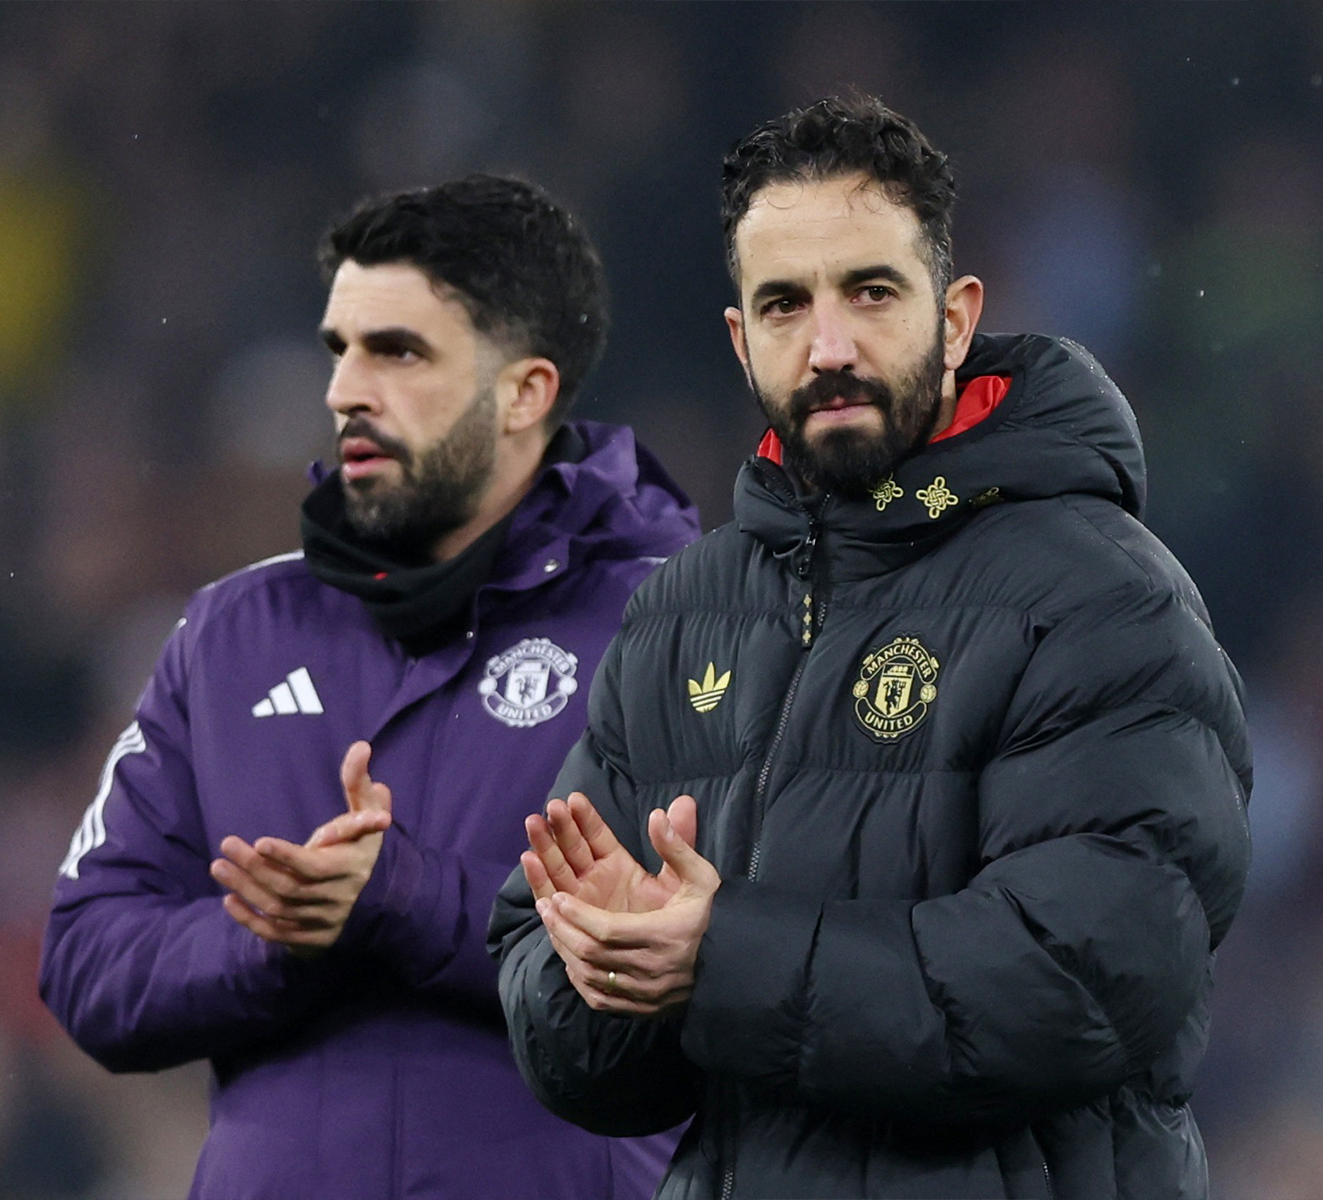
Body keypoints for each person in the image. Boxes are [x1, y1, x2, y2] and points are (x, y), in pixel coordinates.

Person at [490, 97, 1251, 1198]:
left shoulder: (1101, 599)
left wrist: (718, 959)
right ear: (741, 340)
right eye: (786, 305)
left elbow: (1079, 982)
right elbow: (547, 998)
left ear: (953, 318)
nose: (830, 346)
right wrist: (605, 967)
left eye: (870, 291)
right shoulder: (682, 615)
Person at [40, 177, 698, 1200]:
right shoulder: (231, 634)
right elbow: (87, 960)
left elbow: (706, 949)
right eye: (339, 348)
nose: (347, 387)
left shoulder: (679, 623)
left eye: (398, 351)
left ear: (524, 391)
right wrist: (268, 938)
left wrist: (402, 896)